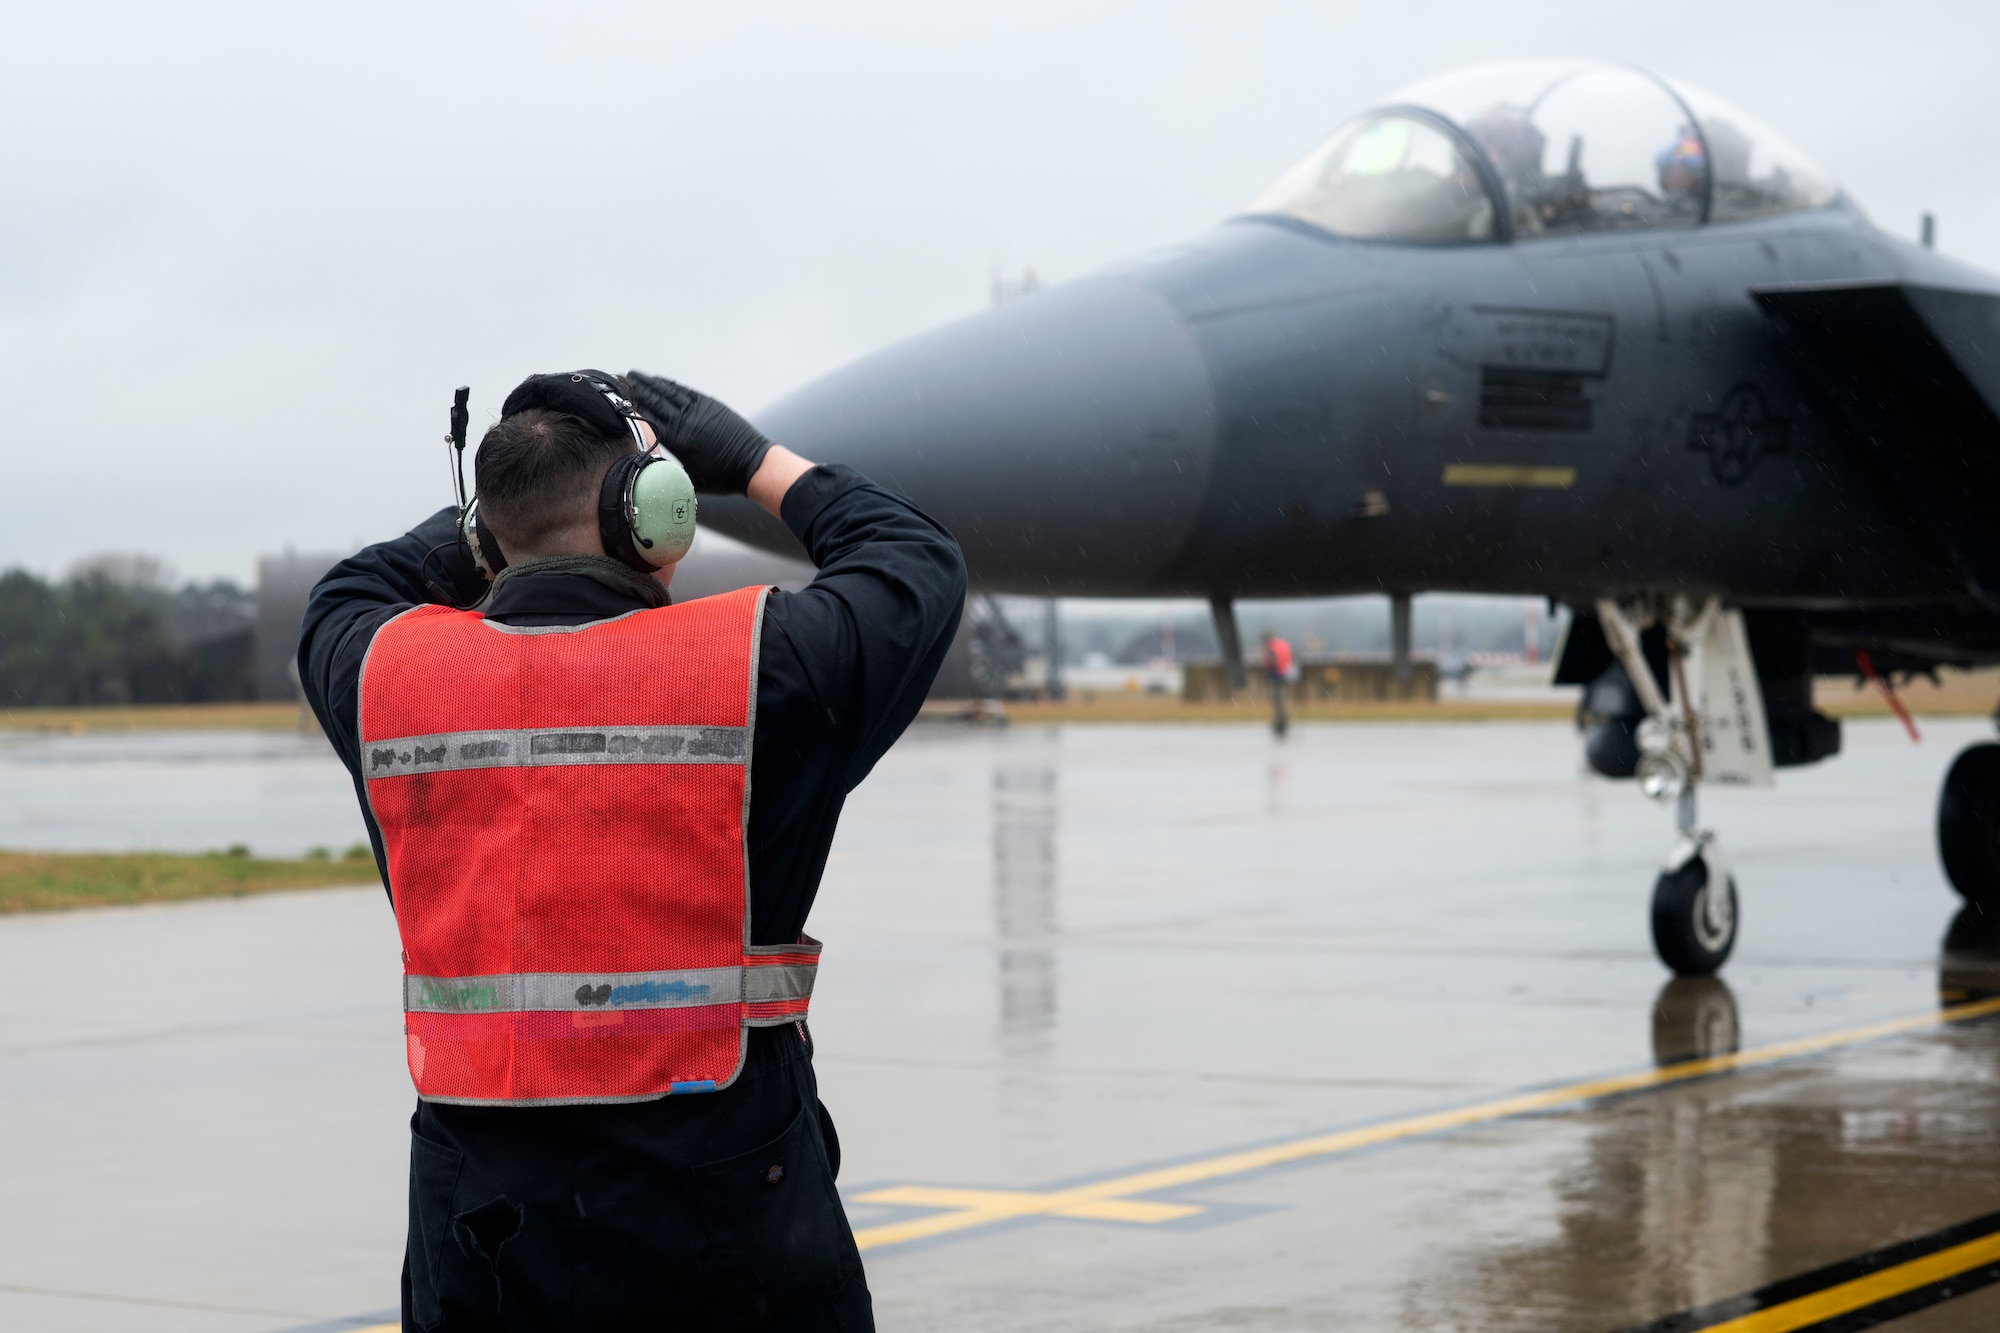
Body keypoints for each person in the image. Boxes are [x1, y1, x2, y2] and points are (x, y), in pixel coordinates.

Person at [298, 369, 965, 1331]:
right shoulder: (761, 665)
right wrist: (754, 462)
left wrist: (497, 510)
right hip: (727, 1213)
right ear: (656, 521)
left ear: (485, 537)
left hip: (482, 1229)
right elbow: (914, 557)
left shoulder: (379, 669)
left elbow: (358, 583)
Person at [1261, 629, 1295, 737]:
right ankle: (1282, 722)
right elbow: (1289, 657)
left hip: (1276, 674)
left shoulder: (1271, 647)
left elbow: (1269, 662)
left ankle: (1280, 723)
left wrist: (1267, 665)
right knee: (1281, 699)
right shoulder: (1283, 644)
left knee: (1277, 700)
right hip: (1284, 673)